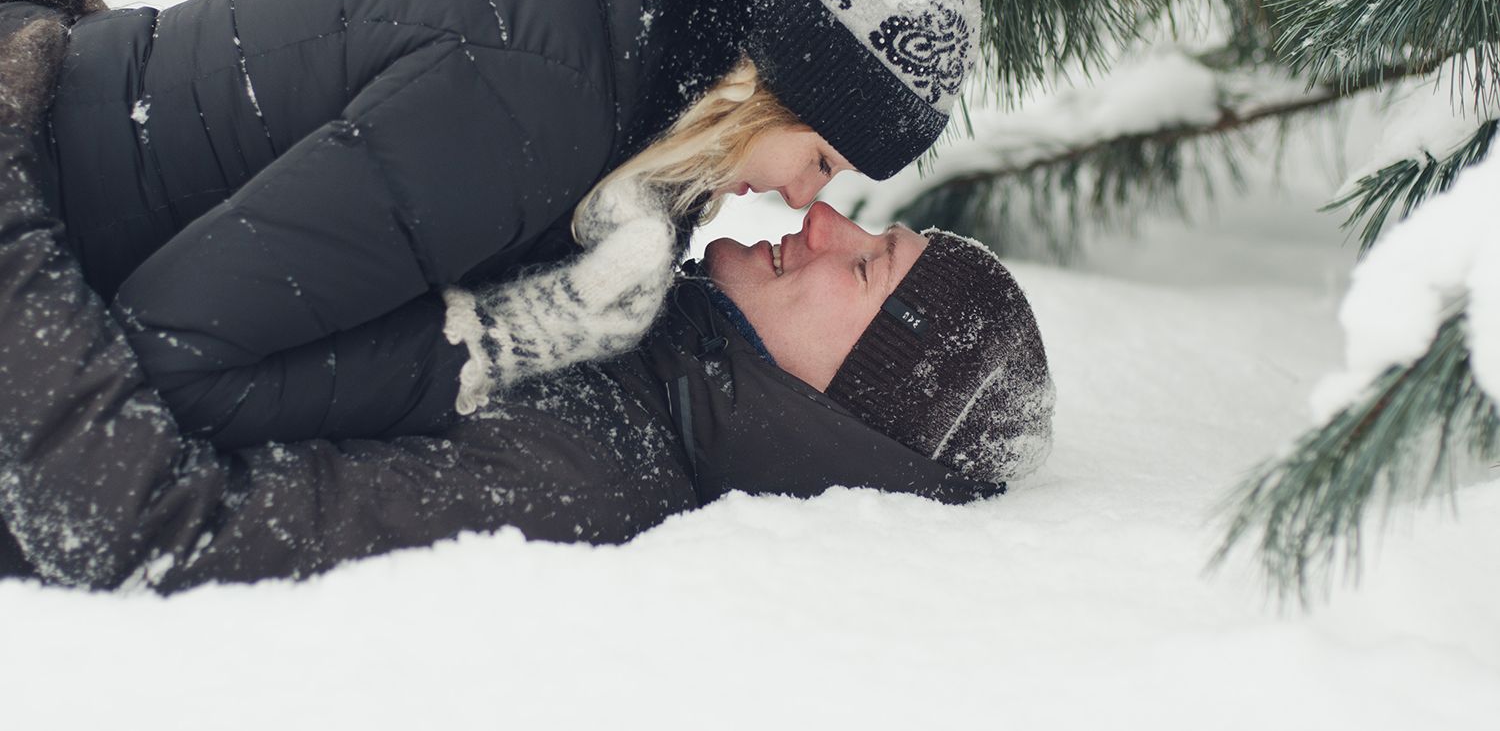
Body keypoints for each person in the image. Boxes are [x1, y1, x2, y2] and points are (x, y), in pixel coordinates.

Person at [0, 0, 1045, 448]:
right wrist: (503, 337)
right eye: (821, 159)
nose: (809, 202)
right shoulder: (525, 110)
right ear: (761, 86)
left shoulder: (591, 7)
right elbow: (174, 354)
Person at [0, 121, 1056, 593]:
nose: (825, 220)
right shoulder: (633, 315)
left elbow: (149, 525)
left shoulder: (581, 477)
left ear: (850, 410)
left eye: (868, 269)